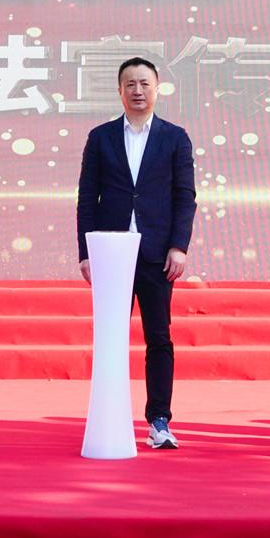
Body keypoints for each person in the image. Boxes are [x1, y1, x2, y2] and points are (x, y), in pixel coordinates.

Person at [76, 57, 197, 449]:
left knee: (158, 337)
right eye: (130, 84)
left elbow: (185, 197)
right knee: (110, 336)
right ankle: (108, 414)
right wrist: (86, 251)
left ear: (157, 89)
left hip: (156, 253)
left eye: (145, 83)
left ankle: (159, 420)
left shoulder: (174, 137)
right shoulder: (101, 137)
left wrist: (178, 246)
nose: (138, 91)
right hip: (110, 252)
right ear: (119, 91)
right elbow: (86, 198)